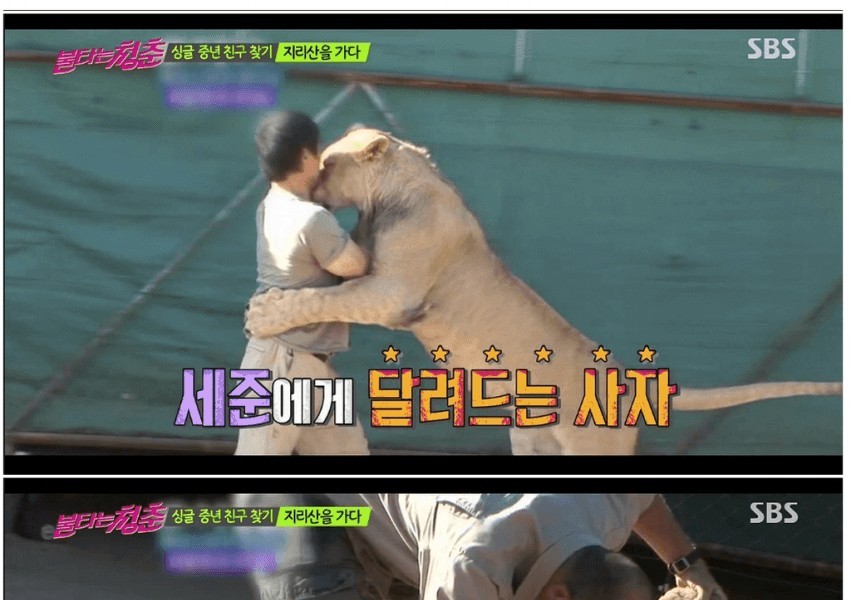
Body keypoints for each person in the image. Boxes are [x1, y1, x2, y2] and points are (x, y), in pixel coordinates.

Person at [236, 493, 728, 600]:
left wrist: (691, 570)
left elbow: (641, 495)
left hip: (397, 530)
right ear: (559, 597)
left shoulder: (596, 509)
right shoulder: (473, 566)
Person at [234, 111, 371, 455]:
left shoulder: (272, 205)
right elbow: (356, 266)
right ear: (306, 155)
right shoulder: (311, 218)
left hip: (307, 363)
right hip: (281, 364)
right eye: (318, 150)